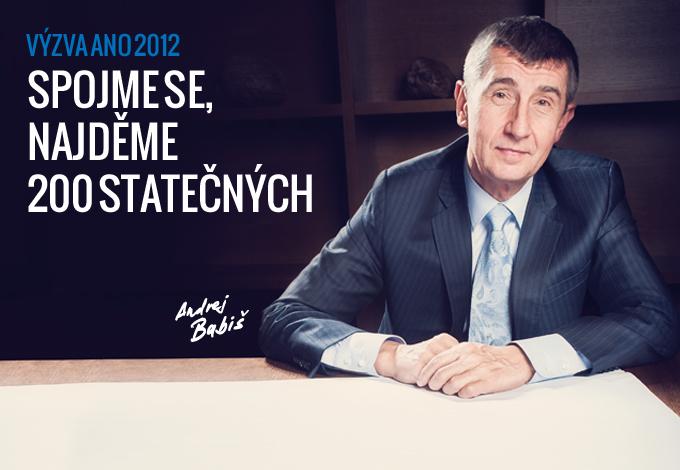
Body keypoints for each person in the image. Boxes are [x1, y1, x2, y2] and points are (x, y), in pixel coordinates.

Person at [258, 16, 680, 398]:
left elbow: (656, 319)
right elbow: (287, 317)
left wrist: (523, 359)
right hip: (422, 413)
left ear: (562, 123)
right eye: (501, 95)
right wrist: (394, 357)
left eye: (543, 103)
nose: (519, 127)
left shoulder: (594, 190)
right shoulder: (398, 193)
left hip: (541, 414)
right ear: (463, 104)